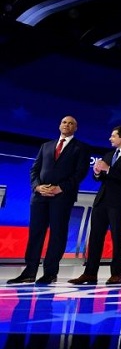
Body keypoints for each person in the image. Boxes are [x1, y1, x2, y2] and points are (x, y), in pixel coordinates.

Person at [8, 116, 90, 285]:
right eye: (64, 122)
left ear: (76, 128)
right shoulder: (46, 146)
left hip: (61, 196)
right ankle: (29, 272)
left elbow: (80, 173)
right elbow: (34, 170)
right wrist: (37, 187)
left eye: (71, 123)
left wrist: (61, 187)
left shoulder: (81, 148)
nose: (66, 125)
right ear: (59, 125)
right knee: (35, 233)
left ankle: (50, 273)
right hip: (39, 196)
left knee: (57, 234)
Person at [68, 126, 121, 285]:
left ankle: (116, 274)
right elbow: (100, 178)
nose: (110, 138)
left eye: (113, 136)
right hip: (102, 200)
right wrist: (97, 172)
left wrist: (108, 169)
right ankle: (90, 273)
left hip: (120, 201)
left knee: (117, 237)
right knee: (95, 237)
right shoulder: (108, 155)